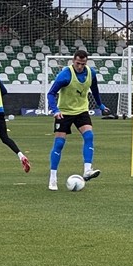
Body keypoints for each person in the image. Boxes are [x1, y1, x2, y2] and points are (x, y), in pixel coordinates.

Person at [46, 49, 110, 191]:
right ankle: (53, 179)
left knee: (89, 136)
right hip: (64, 112)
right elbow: (51, 93)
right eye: (78, 63)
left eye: (83, 63)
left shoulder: (91, 73)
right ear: (73, 61)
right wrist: (55, 110)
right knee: (59, 144)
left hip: (82, 110)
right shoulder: (65, 75)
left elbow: (95, 90)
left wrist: (100, 105)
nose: (80, 66)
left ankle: (87, 170)